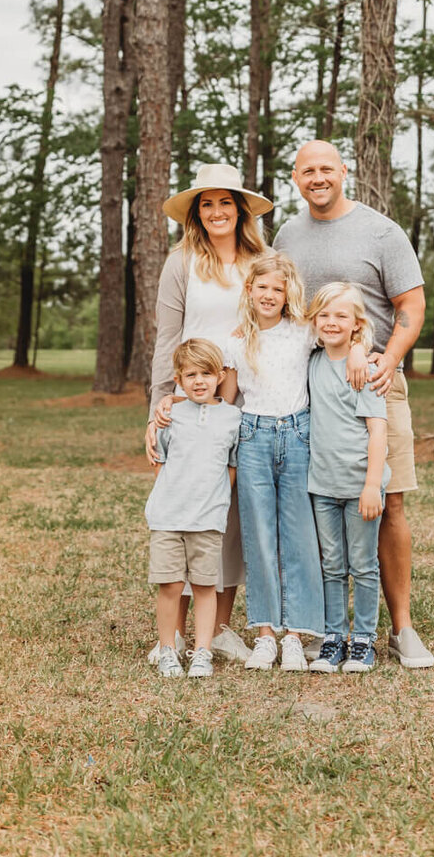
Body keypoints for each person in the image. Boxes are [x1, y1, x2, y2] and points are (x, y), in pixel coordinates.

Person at [275, 139, 434, 669]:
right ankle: (324, 631)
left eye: (327, 168)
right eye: (307, 170)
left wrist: (387, 359)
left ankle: (401, 629)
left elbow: (410, 303)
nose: (317, 177)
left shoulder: (381, 231)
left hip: (374, 384)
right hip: (307, 390)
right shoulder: (287, 235)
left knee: (388, 501)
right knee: (312, 507)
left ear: (344, 171)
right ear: (295, 178)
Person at [144, 163, 271, 666]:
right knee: (188, 504)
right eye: (206, 203)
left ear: (240, 208)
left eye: (225, 202)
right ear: (196, 212)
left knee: (231, 516)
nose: (216, 211)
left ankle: (219, 629)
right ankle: (169, 639)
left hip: (250, 397)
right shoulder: (181, 263)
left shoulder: (262, 260)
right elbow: (166, 338)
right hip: (192, 396)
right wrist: (158, 404)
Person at [218, 253, 370, 672]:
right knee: (259, 535)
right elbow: (227, 400)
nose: (269, 295)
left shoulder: (302, 332)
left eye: (277, 289)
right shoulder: (234, 341)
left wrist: (358, 349)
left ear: (288, 296)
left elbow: (341, 332)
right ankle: (266, 633)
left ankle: (295, 636)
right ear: (249, 291)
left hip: (299, 436)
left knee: (300, 536)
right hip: (252, 437)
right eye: (261, 287)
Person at [145, 339, 242, 680]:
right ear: (179, 378)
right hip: (168, 517)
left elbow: (232, 466)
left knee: (204, 586)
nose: (198, 381)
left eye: (206, 373)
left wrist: (215, 498)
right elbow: (161, 461)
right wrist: (174, 493)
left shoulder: (232, 418)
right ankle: (168, 649)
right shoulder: (170, 415)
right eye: (190, 375)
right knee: (170, 585)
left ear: (220, 376)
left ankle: (202, 651)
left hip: (208, 519)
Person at [305, 283, 389, 674]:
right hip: (322, 485)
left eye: (341, 316)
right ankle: (334, 636)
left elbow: (378, 431)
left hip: (359, 486)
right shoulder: (312, 362)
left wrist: (372, 485)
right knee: (332, 565)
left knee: (364, 564)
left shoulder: (366, 369)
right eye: (324, 314)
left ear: (357, 325)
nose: (331, 322)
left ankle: (364, 640)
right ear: (314, 320)